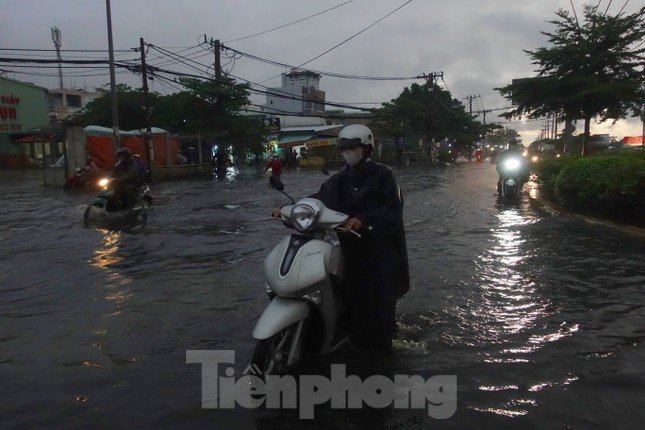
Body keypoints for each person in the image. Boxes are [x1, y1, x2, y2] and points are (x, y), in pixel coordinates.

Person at [274, 124, 410, 352]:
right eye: (344, 148)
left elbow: (391, 211)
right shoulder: (339, 180)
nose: (348, 152)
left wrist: (362, 220)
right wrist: (292, 209)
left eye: (353, 147)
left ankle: (384, 352)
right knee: (352, 294)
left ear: (366, 149)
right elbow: (318, 200)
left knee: (380, 304)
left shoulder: (384, 175)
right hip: (351, 249)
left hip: (380, 250)